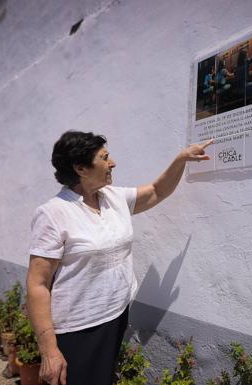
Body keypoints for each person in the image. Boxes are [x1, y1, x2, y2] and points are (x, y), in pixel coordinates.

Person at [26, 131, 213, 385]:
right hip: (78, 328)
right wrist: (49, 350)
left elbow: (158, 191)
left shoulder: (113, 197)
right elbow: (37, 285)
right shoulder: (53, 213)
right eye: (104, 157)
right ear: (81, 168)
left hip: (116, 315)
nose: (112, 163)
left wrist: (181, 159)